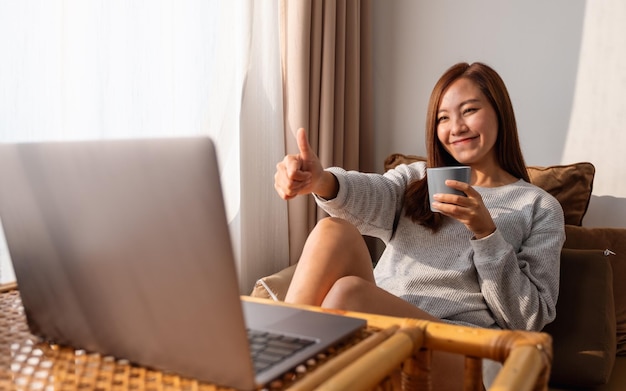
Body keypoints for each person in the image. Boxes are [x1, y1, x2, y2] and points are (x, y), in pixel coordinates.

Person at [273, 62, 565, 389]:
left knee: (348, 294)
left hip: (462, 353)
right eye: (443, 118)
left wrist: (487, 234)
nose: (456, 127)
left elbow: (528, 320)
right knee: (332, 231)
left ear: (499, 112)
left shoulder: (538, 206)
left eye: (469, 111)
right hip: (384, 328)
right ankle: (274, 369)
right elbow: (368, 195)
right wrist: (321, 180)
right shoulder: (417, 178)